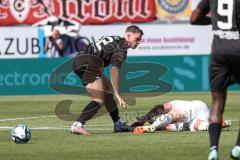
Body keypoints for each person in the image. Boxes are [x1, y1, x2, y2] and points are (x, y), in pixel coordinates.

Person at [70, 25, 144, 135]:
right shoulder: (122, 47)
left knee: (108, 91)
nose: (138, 42)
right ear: (128, 36)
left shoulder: (116, 40)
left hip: (81, 60)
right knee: (99, 98)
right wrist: (118, 94)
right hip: (89, 63)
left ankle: (118, 124)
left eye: (139, 40)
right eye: (136, 39)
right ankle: (77, 125)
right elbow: (114, 70)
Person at [190, 0, 240, 159]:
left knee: (217, 103)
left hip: (219, 52)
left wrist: (215, 22)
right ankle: (238, 148)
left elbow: (194, 18)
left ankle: (213, 149)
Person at [132, 100, 231, 134]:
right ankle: (218, 124)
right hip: (199, 114)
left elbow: (161, 108)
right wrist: (151, 123)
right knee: (198, 126)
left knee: (174, 114)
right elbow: (166, 127)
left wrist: (144, 119)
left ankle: (152, 126)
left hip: (196, 106)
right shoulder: (175, 126)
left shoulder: (174, 104)